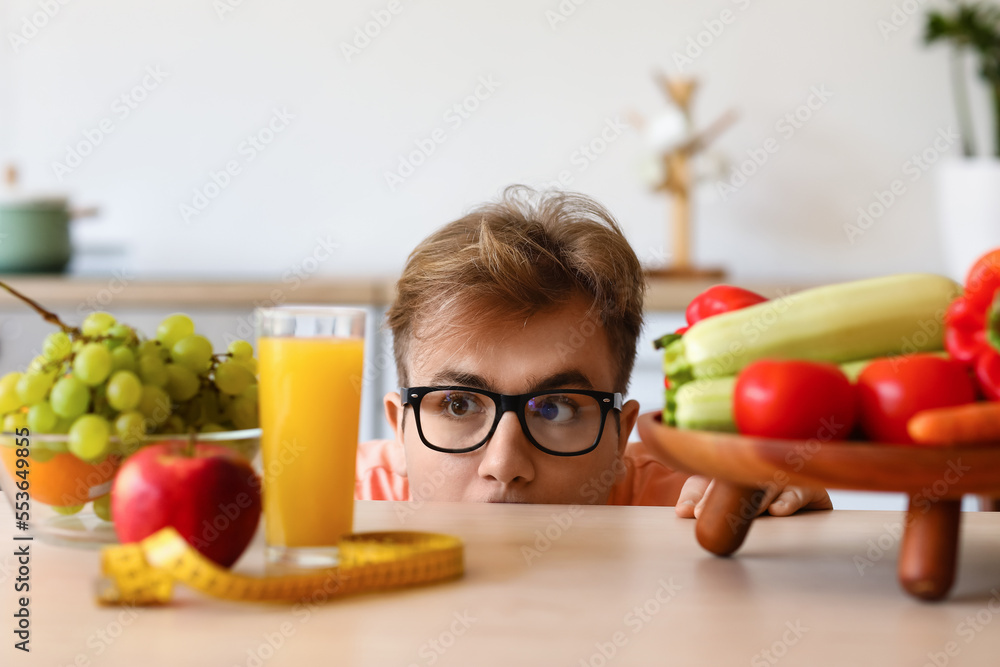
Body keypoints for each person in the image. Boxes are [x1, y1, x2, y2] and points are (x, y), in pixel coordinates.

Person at [355, 185, 831, 517]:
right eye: (458, 404)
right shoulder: (317, 501)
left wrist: (792, 528)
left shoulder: (696, 505)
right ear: (399, 431)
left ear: (620, 438)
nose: (504, 466)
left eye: (557, 408)